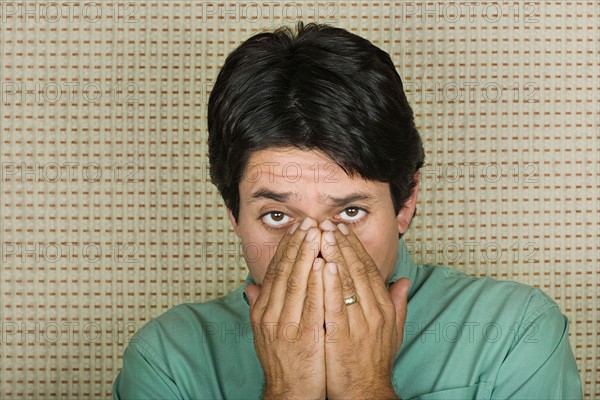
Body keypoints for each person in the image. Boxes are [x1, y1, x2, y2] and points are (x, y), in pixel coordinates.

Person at [113, 21, 582, 399]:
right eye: (278, 216)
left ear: (406, 203)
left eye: (350, 213)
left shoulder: (515, 331)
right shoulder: (167, 359)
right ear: (233, 213)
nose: (318, 253)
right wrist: (287, 389)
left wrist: (365, 388)